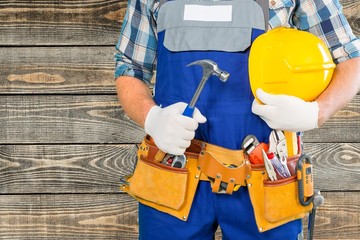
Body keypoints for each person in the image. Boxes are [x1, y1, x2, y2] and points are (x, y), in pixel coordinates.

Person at [114, 0, 360, 239]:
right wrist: (152, 118)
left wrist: (316, 112)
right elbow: (129, 67)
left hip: (264, 174)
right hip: (172, 173)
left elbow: (351, 60)